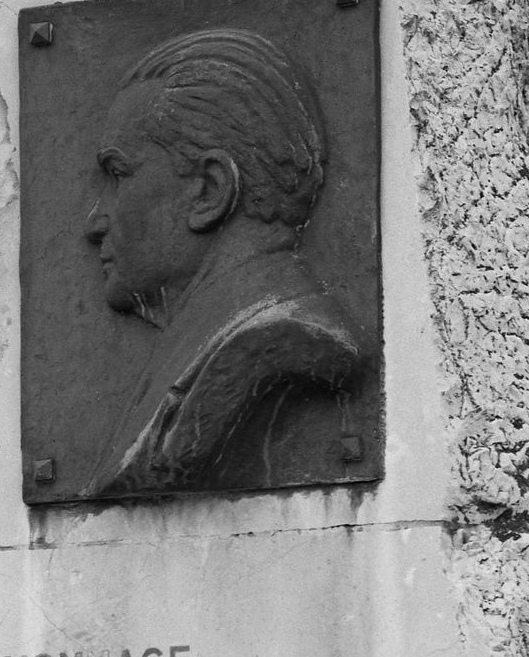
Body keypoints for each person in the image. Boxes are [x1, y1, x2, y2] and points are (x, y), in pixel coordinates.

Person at [83, 25, 364, 497]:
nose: (95, 221)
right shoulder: (204, 342)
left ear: (210, 191)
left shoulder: (273, 339)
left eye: (119, 175)